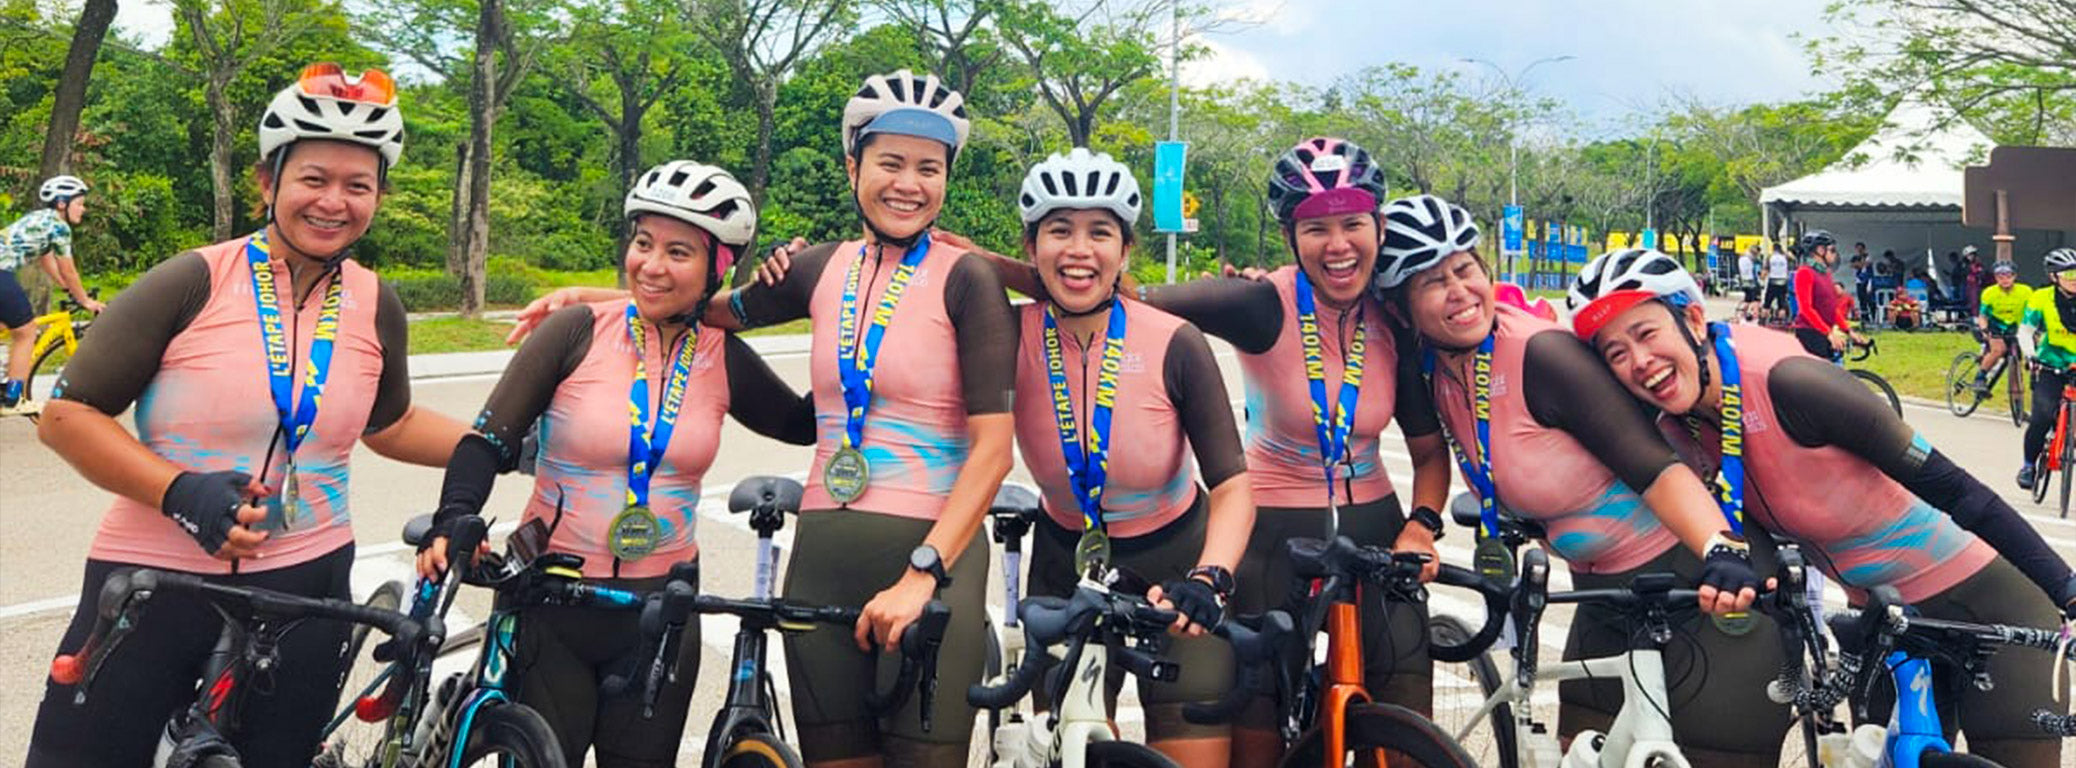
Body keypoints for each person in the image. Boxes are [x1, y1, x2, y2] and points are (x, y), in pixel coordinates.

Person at [954, 138, 1455, 763]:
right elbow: (1124, 296)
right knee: (1229, 738)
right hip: (1266, 541)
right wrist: (980, 264)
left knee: (1406, 709)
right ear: (1290, 236)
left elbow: (1432, 449)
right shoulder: (1260, 302)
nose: (1338, 244)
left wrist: (1423, 524)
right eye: (1316, 228)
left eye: (1353, 224)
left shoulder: (1393, 319)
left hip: (1372, 530)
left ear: (1378, 228)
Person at [28, 63, 469, 766]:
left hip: (309, 586)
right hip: (158, 578)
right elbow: (67, 415)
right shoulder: (192, 280)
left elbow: (389, 425)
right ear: (268, 184)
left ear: (379, 196)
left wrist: (504, 445)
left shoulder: (375, 300)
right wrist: (179, 492)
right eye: (313, 179)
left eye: (358, 186)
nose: (334, 202)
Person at [1569, 248, 2075, 768]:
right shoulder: (1677, 425)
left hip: (1988, 605)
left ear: (1694, 319)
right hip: (1883, 623)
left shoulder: (1790, 383)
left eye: (1647, 334)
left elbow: (1962, 493)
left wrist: (2068, 589)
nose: (1640, 361)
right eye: (1616, 352)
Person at [413, 161, 815, 766]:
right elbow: (486, 441)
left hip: (663, 611)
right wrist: (455, 517)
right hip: (553, 599)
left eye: (678, 251)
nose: (651, 265)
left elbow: (805, 423)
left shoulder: (722, 357)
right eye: (643, 243)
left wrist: (811, 291)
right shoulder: (576, 330)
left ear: (718, 268)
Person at [1375, 194, 1779, 768]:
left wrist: (1720, 546)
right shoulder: (1435, 368)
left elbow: (1652, 466)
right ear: (1401, 308)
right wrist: (1429, 525)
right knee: (1578, 756)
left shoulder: (1541, 356)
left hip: (1701, 587)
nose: (1460, 292)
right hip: (1602, 597)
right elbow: (1440, 456)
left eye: (1465, 269)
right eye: (1431, 284)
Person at [998, 148, 1254, 766]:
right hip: (1064, 561)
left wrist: (1211, 578)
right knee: (1067, 748)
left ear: (1126, 249)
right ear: (1031, 250)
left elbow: (1233, 485)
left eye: (1100, 232)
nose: (1079, 250)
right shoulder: (1005, 333)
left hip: (1177, 564)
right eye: (1059, 230)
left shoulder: (1173, 340)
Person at [0, 175, 104, 415]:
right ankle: (13, 397)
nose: (83, 208)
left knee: (9, 325)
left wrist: (68, 289)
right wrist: (85, 300)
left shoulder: (40, 221)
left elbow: (48, 262)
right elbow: (68, 268)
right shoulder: (59, 227)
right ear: (61, 204)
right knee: (26, 331)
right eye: (79, 203)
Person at [2018, 248, 2076, 491]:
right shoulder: (2040, 298)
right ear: (2054, 277)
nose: (2074, 279)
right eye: (2068, 274)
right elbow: (2026, 331)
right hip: (2051, 365)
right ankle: (2029, 465)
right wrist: (2030, 355)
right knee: (2041, 417)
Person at [1789, 229, 1863, 359]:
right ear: (1820, 250)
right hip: (1809, 333)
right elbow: (1806, 309)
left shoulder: (1826, 273)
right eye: (1832, 250)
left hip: (1823, 331)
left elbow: (1831, 309)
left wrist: (1848, 331)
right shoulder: (1804, 273)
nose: (1835, 255)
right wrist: (1828, 333)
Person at [1975, 261, 2030, 391]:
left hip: (2016, 327)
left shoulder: (2026, 291)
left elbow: (2033, 312)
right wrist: (1984, 329)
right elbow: (1983, 316)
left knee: (2017, 363)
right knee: (1999, 349)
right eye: (2000, 277)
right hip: (1996, 326)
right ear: (1995, 278)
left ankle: (2017, 403)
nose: (2005, 280)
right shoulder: (1989, 293)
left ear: (2014, 276)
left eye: (2008, 276)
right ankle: (1980, 377)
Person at [1763, 242, 1791, 323]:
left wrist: (1763, 278)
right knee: (1781, 302)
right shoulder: (1785, 257)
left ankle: (1764, 319)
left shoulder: (1770, 257)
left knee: (1767, 302)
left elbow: (1765, 270)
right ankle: (1781, 321)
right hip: (1783, 281)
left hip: (1773, 281)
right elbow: (1793, 261)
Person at [1736, 244, 1760, 321]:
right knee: (1755, 300)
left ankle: (1740, 313)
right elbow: (1754, 272)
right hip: (1751, 281)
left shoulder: (1741, 258)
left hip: (1744, 280)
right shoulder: (1751, 259)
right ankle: (1754, 315)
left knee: (1747, 299)